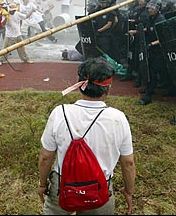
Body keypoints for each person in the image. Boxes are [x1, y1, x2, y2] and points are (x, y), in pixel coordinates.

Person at [38, 57, 135, 215]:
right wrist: (129, 191)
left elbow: (45, 156)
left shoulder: (60, 113)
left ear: (80, 86)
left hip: (62, 186)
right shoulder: (118, 118)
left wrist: (43, 184)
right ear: (108, 89)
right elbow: (128, 163)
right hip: (99, 187)